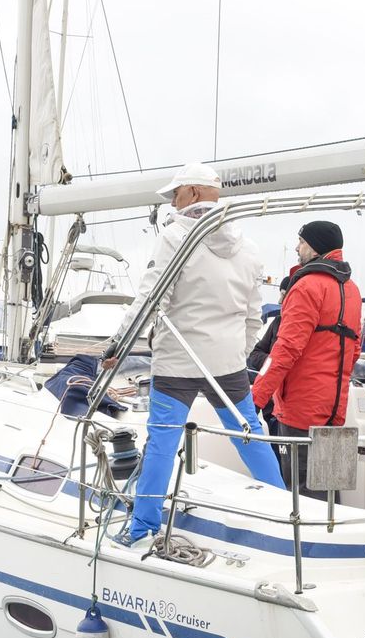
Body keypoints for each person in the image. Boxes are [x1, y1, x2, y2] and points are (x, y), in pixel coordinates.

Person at [101, 162, 284, 545]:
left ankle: (143, 528)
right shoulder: (247, 248)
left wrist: (117, 345)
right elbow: (253, 315)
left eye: (176, 192)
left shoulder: (175, 237)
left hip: (178, 360)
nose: (171, 200)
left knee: (162, 444)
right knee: (249, 435)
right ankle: (284, 512)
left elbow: (152, 297)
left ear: (195, 193)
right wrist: (237, 352)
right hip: (227, 363)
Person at [252, 220, 363, 497]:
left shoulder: (306, 287)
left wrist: (256, 398)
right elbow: (355, 348)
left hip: (300, 409)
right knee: (329, 491)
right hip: (335, 408)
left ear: (313, 247)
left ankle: (300, 542)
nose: (297, 247)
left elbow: (285, 349)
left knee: (300, 495)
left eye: (300, 242)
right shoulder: (352, 290)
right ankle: (334, 537)